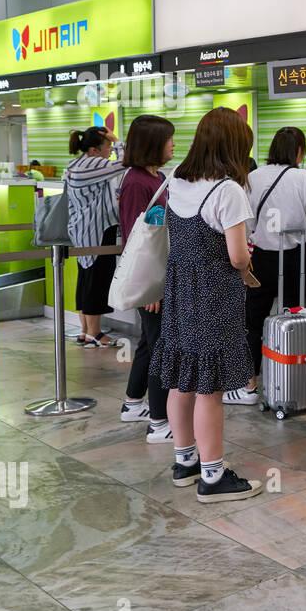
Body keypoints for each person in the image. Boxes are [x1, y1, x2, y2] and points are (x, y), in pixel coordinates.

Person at [151, 107, 263, 504]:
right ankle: (213, 477)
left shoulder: (176, 179)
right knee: (210, 386)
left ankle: (186, 464)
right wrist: (248, 263)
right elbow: (236, 256)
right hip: (214, 294)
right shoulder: (228, 190)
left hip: (181, 289)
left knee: (183, 376)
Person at [231, 126, 306, 405]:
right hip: (296, 259)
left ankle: (248, 387)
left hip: (261, 259)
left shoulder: (252, 177)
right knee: (293, 317)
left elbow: (243, 218)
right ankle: (291, 382)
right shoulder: (304, 177)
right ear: (299, 151)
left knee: (253, 323)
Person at [117, 115, 176, 443]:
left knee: (148, 343)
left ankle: (132, 404)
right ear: (152, 143)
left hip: (157, 276)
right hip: (151, 279)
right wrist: (150, 285)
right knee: (160, 349)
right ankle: (159, 422)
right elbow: (136, 238)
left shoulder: (157, 177)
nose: (173, 145)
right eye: (169, 139)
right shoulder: (137, 182)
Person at [65, 126, 124, 347]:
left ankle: (85, 331)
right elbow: (127, 163)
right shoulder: (94, 163)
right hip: (96, 230)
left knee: (86, 280)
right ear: (94, 149)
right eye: (107, 147)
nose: (110, 150)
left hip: (81, 230)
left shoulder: (76, 164)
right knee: (96, 282)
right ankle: (95, 334)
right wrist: (117, 140)